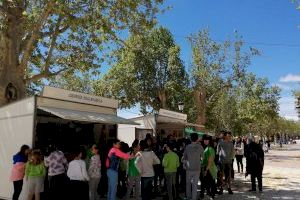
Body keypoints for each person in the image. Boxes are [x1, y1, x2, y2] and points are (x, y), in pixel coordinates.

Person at [182, 133, 204, 200]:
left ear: (190, 139)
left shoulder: (187, 147)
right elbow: (203, 158)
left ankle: (189, 197)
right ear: (197, 139)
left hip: (189, 168)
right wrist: (199, 161)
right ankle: (193, 198)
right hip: (197, 168)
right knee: (195, 185)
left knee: (188, 184)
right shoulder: (200, 147)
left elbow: (184, 158)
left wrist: (185, 163)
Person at [201, 135, 217, 199]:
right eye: (204, 140)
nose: (205, 141)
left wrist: (206, 170)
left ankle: (212, 196)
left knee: (211, 183)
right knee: (210, 183)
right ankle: (211, 195)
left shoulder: (210, 148)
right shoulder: (208, 148)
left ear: (209, 141)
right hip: (209, 167)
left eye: (206, 140)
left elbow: (210, 160)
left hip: (209, 168)